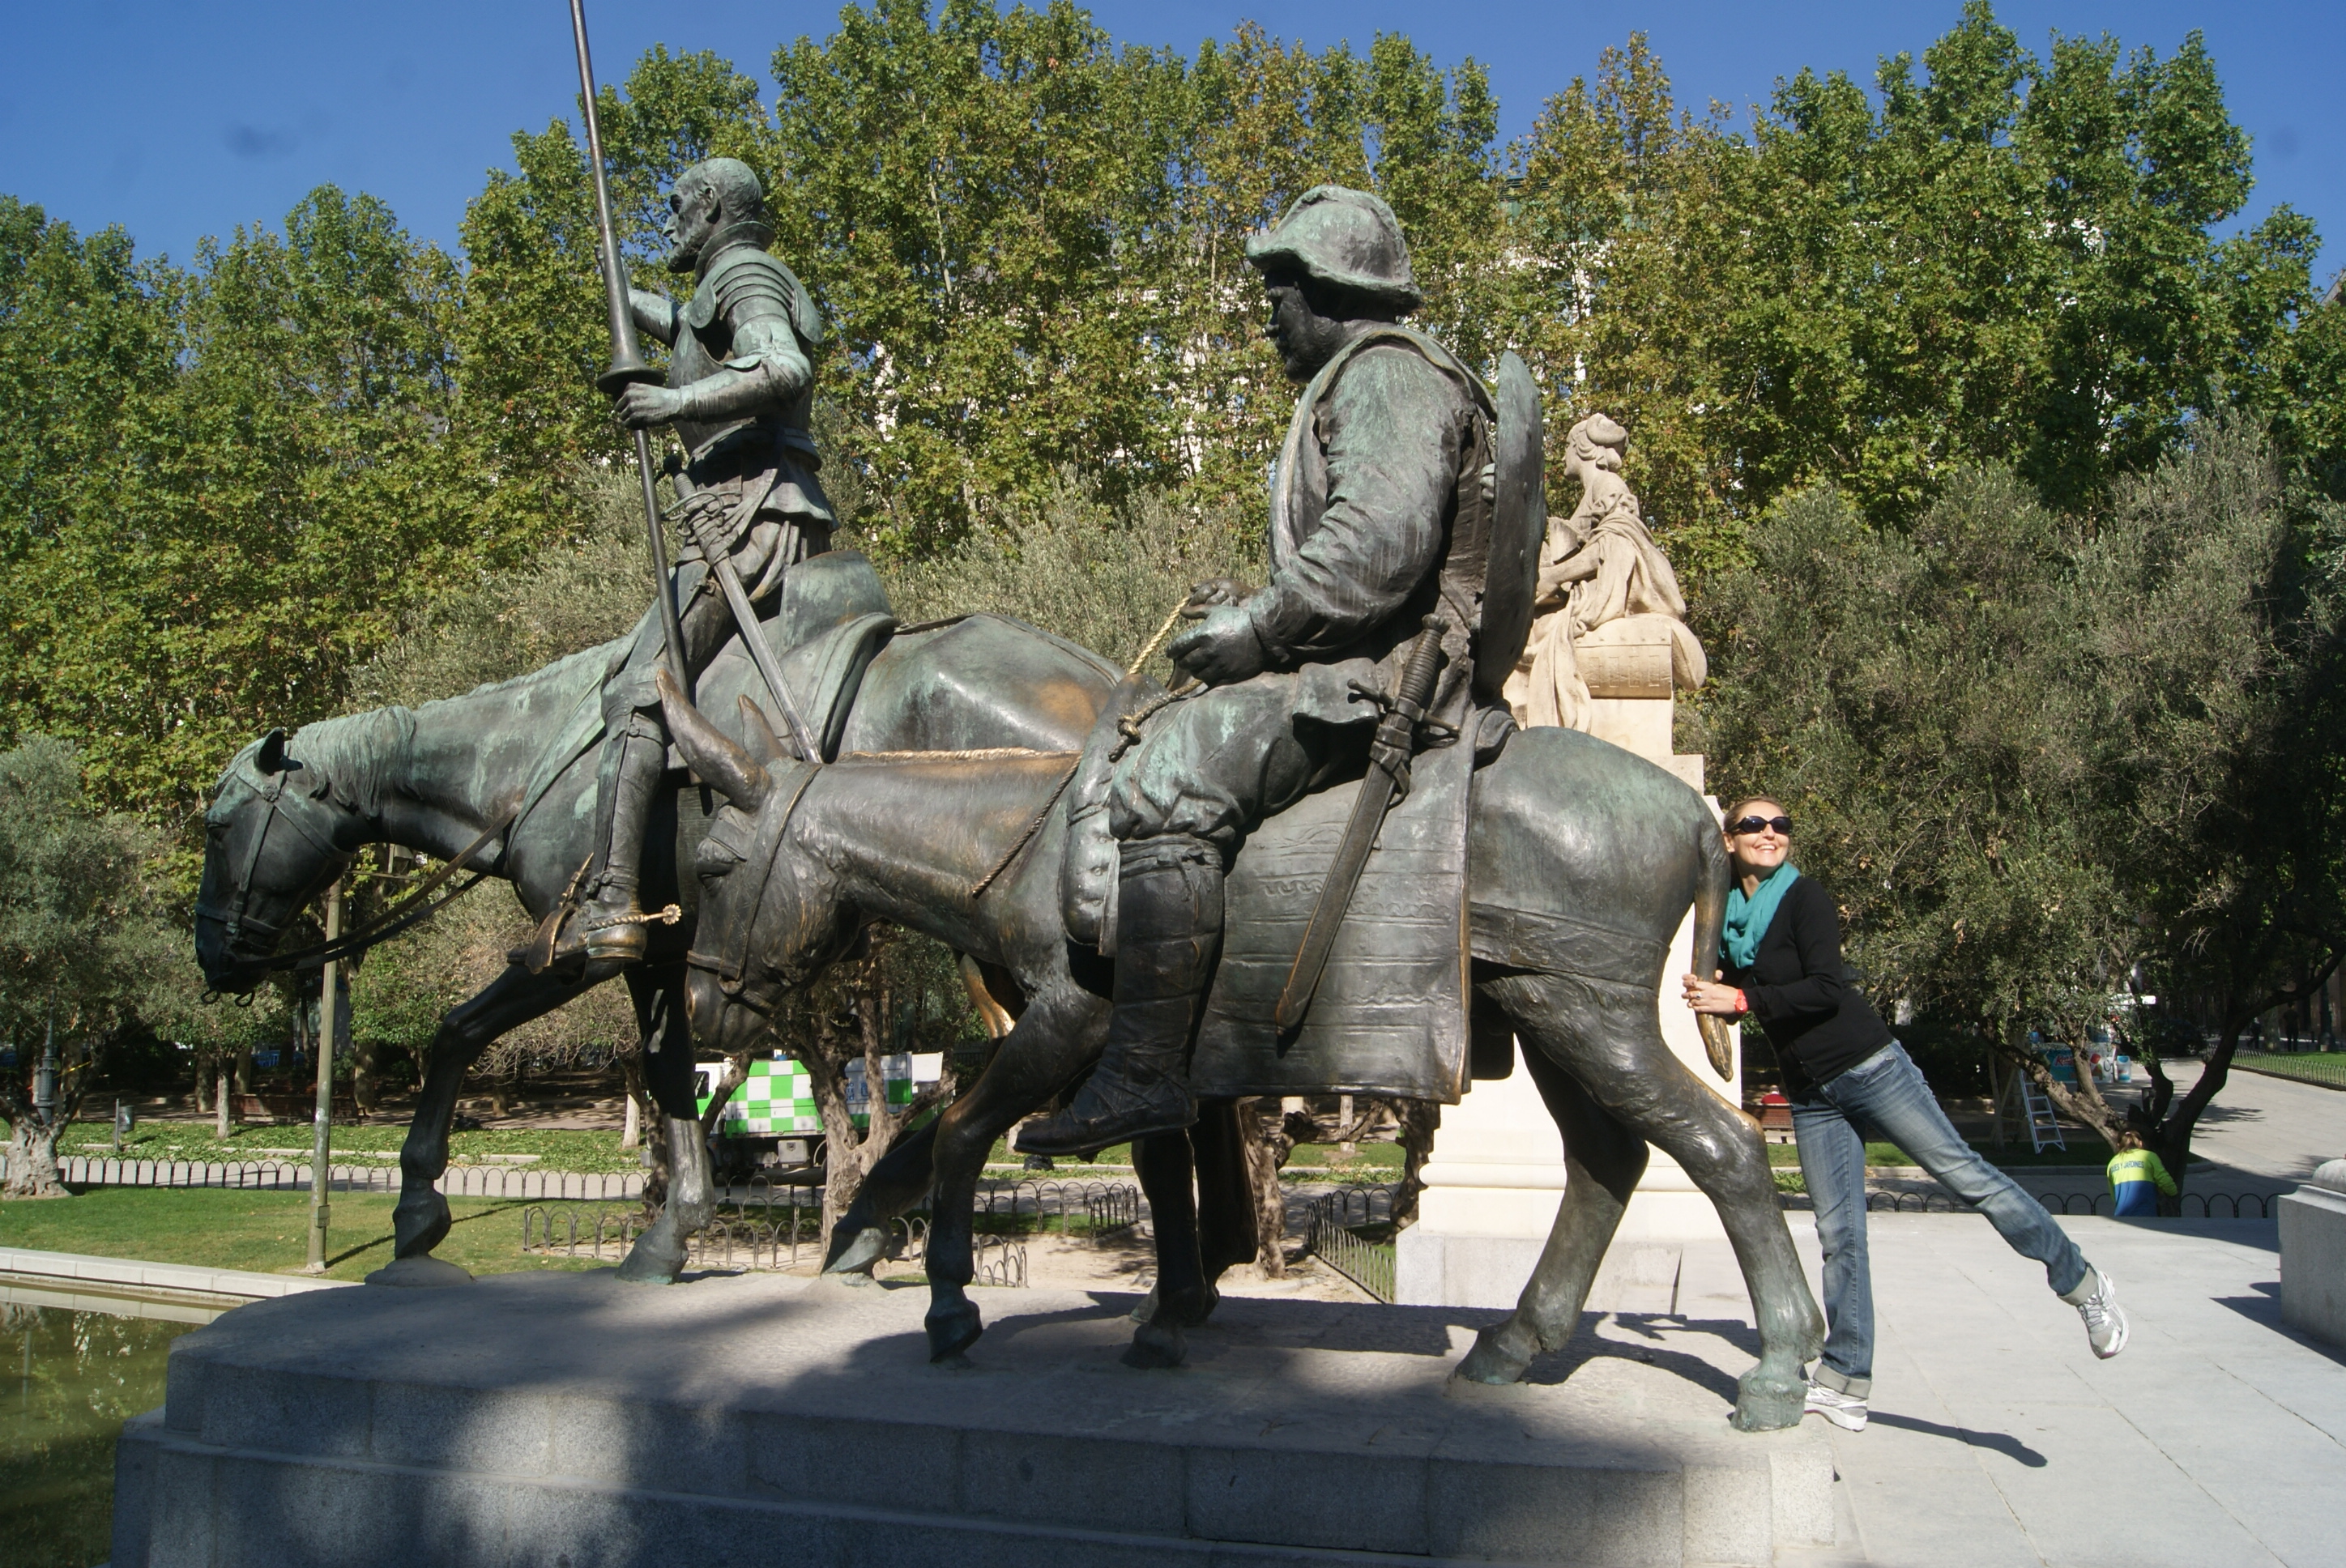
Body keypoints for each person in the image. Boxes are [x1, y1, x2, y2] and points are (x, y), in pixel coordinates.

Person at [1016, 186, 1494, 1155]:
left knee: (1167, 769)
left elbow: (1377, 542)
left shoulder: (1387, 373)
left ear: (1321, 291)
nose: (1267, 321)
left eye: (1276, 296)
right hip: (1365, 659)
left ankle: (1143, 1069)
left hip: (1379, 682)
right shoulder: (1375, 376)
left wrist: (1261, 629)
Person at [1683, 797, 2128, 1433]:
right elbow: (1761, 990)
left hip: (1871, 1069)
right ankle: (1845, 1380)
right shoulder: (1731, 918)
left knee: (1967, 1177)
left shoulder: (1804, 898)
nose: (1770, 833)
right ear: (1730, 840)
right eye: (1754, 824)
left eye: (1781, 825)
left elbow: (1826, 987)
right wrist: (1723, 996)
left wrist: (1744, 997)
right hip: (1811, 1094)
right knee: (1840, 1237)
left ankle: (2082, 1283)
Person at [549, 157, 835, 974]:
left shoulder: (744, 273)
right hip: (742, 511)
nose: (668, 220)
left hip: (748, 518)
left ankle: (609, 902)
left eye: (677, 207)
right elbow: (687, 327)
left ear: (709, 205)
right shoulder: (719, 291)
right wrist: (612, 284)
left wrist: (671, 406)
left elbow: (782, 365)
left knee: (640, 697)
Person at [2105, 1129, 2177, 1216]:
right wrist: (2173, 1192)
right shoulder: (2149, 1157)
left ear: (2118, 1145)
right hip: (2146, 1215)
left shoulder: (2113, 1163)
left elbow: (2114, 1195)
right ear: (2141, 1143)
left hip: (2122, 1217)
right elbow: (2165, 1181)